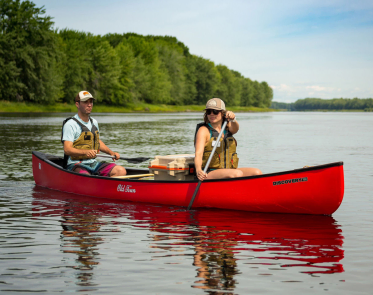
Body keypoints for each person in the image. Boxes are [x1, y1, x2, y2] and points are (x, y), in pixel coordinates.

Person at [61, 91, 127, 177]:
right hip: (75, 165)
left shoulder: (94, 122)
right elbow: (67, 149)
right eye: (85, 102)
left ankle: (107, 189)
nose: (89, 105)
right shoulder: (70, 124)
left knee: (120, 171)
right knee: (87, 177)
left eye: (91, 102)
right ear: (77, 104)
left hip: (93, 164)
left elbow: (97, 142)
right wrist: (85, 152)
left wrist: (111, 153)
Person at [194, 98, 262, 181]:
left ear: (223, 113)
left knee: (257, 173)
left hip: (230, 171)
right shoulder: (204, 130)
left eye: (215, 111)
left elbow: (236, 129)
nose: (211, 114)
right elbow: (198, 154)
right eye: (209, 112)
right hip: (210, 172)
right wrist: (198, 170)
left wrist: (233, 119)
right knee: (237, 174)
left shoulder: (228, 127)